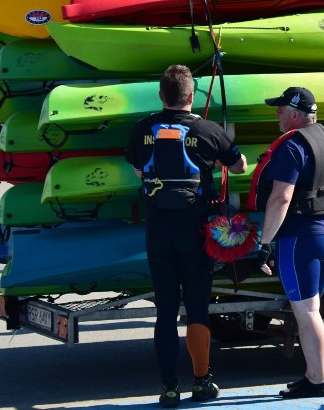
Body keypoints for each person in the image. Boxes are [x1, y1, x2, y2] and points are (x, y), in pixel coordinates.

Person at [126, 65, 247, 408]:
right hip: (195, 233)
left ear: (162, 96)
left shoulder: (141, 129)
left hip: (158, 232)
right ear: (191, 97)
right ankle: (201, 382)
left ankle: (168, 388)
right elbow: (239, 167)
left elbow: (138, 169)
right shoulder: (208, 130)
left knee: (165, 312)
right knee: (197, 309)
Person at [254, 87, 324, 399]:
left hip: (301, 237)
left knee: (306, 311)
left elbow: (281, 197)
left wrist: (265, 242)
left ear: (295, 113)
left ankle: (318, 380)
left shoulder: (293, 146)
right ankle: (311, 375)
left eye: (280, 109)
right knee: (312, 307)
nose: (277, 114)